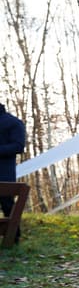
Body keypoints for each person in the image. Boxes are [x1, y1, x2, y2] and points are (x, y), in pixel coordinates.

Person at [0, 102, 26, 243]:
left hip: (3, 173)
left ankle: (13, 237)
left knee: (7, 204)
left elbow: (18, 146)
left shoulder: (13, 123)